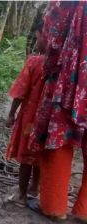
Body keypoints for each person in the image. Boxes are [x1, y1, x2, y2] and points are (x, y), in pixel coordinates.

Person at [27, 1, 87, 221]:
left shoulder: (64, 3)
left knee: (58, 140)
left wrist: (50, 71)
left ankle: (54, 207)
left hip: (69, 82)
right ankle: (84, 210)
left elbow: (51, 42)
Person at [5, 20, 47, 207]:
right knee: (40, 155)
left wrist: (11, 114)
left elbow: (20, 92)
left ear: (45, 37)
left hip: (30, 118)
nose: (36, 41)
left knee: (25, 158)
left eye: (37, 37)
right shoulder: (62, 65)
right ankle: (34, 188)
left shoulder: (34, 62)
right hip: (48, 120)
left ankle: (21, 195)